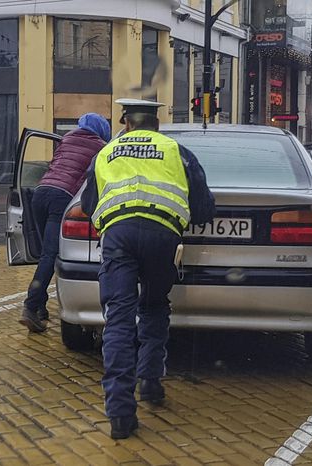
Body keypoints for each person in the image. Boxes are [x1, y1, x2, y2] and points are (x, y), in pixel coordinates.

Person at [81, 98, 215, 439]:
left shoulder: (106, 153)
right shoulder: (176, 151)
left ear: (126, 123)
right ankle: (151, 383)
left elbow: (87, 204)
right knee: (154, 305)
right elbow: (202, 208)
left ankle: (120, 415)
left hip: (119, 238)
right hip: (162, 236)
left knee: (119, 320)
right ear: (156, 123)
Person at [18, 113, 111, 333]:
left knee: (44, 254)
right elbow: (91, 179)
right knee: (51, 255)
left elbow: (54, 165)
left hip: (40, 193)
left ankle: (39, 307)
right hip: (62, 197)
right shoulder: (101, 148)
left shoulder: (66, 139)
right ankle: (30, 306)